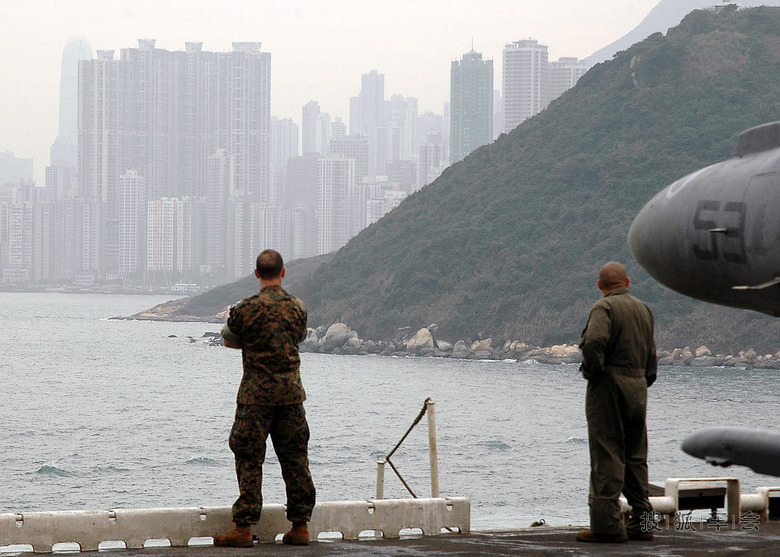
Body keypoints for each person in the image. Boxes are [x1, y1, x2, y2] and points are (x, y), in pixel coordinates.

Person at [213, 249, 316, 547]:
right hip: (291, 396)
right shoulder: (297, 307)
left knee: (248, 457)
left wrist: (253, 341)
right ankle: (300, 526)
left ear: (257, 273)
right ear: (283, 273)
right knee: (295, 458)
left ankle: (243, 527)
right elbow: (298, 338)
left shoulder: (246, 308)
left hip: (255, 397)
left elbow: (229, 340)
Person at [576, 261, 657, 544]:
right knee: (636, 455)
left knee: (606, 452)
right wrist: (642, 379)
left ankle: (607, 527)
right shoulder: (644, 310)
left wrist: (594, 371)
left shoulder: (604, 308)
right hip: (638, 387)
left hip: (608, 386)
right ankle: (643, 523)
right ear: (627, 281)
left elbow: (595, 341)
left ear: (600, 286)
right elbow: (651, 356)